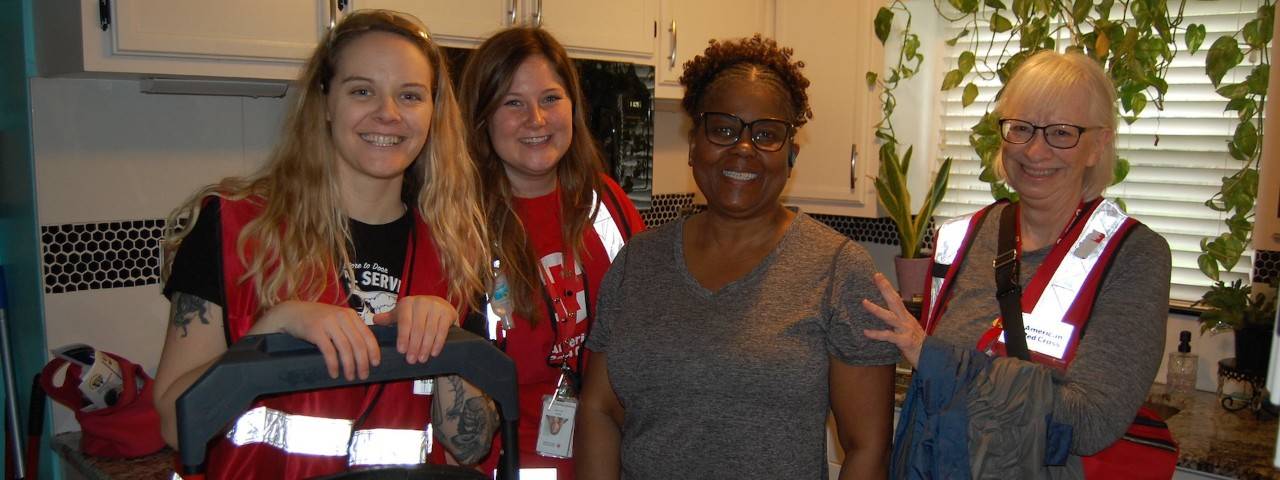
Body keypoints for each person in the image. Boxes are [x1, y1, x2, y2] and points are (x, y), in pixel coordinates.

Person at [153, 10, 499, 479]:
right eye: (362, 91)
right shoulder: (233, 226)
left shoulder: (453, 249)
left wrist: (449, 351)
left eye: (411, 95)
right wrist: (269, 331)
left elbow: (472, 446)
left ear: (433, 113)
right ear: (325, 103)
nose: (389, 113)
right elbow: (176, 424)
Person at [576, 35, 900, 479]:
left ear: (791, 156)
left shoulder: (839, 270)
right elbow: (599, 410)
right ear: (694, 146)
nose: (743, 148)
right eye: (723, 129)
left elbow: (868, 448)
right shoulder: (637, 262)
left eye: (766, 135)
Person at [863, 50, 1172, 477]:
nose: (1035, 150)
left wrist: (933, 358)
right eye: (1021, 129)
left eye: (1061, 132)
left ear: (1097, 145)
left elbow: (1089, 421)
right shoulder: (962, 237)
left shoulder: (1134, 255)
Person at [457, 27, 645, 480]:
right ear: (482, 118)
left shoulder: (609, 203)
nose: (537, 120)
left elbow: (655, 320)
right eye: (512, 103)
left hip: (609, 462)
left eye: (550, 98)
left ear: (573, 108)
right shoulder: (459, 222)